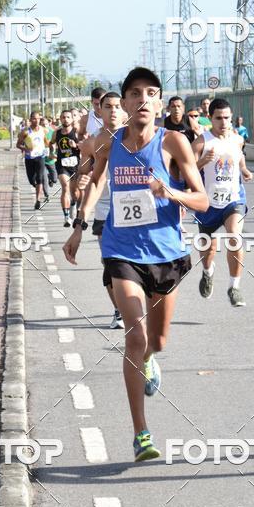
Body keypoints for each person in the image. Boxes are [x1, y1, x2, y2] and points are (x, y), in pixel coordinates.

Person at [63, 67, 208, 462]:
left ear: (159, 103)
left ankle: (149, 360)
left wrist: (170, 191)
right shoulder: (111, 144)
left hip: (167, 255)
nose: (143, 99)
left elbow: (203, 200)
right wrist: (79, 226)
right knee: (135, 336)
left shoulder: (173, 143)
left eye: (152, 93)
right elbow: (95, 182)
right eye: (135, 94)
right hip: (122, 252)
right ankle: (141, 433)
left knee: (157, 342)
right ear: (123, 104)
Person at [191, 98, 253, 307]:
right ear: (210, 118)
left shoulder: (237, 139)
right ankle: (208, 272)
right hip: (207, 202)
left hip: (233, 199)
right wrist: (202, 162)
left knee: (234, 236)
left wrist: (244, 170)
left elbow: (240, 158)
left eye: (227, 117)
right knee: (207, 247)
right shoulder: (201, 142)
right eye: (218, 118)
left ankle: (234, 287)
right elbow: (186, 169)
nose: (223, 122)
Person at [76, 91, 127, 328]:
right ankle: (119, 310)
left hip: (134, 209)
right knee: (110, 264)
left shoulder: (138, 136)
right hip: (105, 210)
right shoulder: (91, 142)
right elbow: (82, 177)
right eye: (108, 106)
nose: (113, 110)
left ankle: (134, 305)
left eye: (118, 106)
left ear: (125, 109)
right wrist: (81, 181)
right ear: (100, 111)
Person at [52, 110, 80, 227]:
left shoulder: (77, 132)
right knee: (65, 187)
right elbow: (51, 143)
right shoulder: (57, 133)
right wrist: (51, 151)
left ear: (72, 119)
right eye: (63, 117)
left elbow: (85, 146)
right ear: (60, 119)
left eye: (68, 117)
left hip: (75, 165)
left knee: (75, 192)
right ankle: (66, 217)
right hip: (62, 165)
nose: (65, 119)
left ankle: (73, 204)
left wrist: (76, 146)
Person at [16, 112, 49, 209]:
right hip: (29, 158)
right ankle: (38, 187)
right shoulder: (25, 132)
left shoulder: (43, 130)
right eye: (34, 118)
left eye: (38, 118)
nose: (37, 120)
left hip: (40, 157)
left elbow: (46, 142)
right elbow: (18, 145)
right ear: (30, 120)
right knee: (31, 180)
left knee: (39, 178)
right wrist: (26, 149)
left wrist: (50, 148)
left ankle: (38, 200)